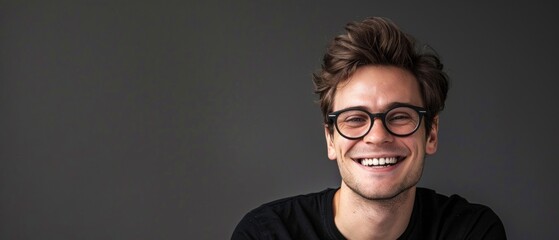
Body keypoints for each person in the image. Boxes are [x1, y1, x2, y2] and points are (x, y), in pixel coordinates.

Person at [231, 17, 506, 240]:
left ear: (431, 133)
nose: (377, 136)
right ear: (330, 138)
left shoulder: (471, 231)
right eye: (354, 119)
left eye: (399, 116)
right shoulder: (266, 234)